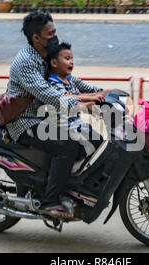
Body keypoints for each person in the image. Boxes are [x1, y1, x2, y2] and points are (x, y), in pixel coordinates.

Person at [4, 12, 104, 219]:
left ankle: (65, 183)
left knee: (92, 136)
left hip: (45, 118)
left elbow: (70, 80)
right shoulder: (26, 62)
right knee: (67, 144)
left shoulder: (45, 55)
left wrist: (101, 92)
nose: (55, 38)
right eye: (50, 34)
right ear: (36, 38)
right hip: (25, 122)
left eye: (55, 32)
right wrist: (85, 103)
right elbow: (52, 96)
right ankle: (50, 201)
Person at [47, 42, 106, 173]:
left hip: (75, 123)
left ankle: (78, 166)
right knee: (91, 143)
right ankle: (71, 171)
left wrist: (104, 93)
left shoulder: (70, 79)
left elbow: (87, 90)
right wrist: (91, 98)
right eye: (67, 59)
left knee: (99, 138)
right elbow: (67, 98)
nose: (71, 62)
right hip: (62, 126)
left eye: (72, 59)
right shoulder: (52, 82)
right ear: (54, 63)